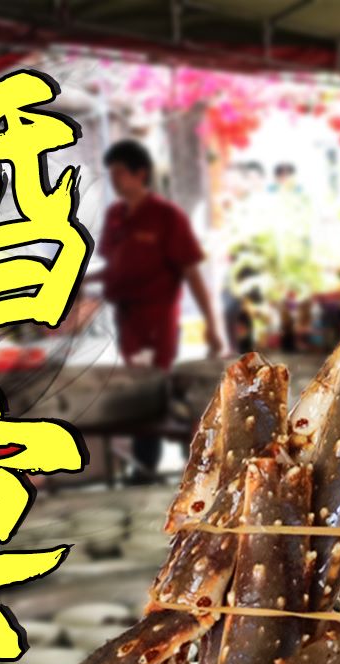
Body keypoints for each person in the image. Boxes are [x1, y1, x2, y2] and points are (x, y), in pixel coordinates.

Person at [92, 139, 224, 481]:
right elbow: (112, 267)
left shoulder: (166, 217)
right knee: (139, 392)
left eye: (121, 173)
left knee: (155, 391)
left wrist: (211, 324)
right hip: (127, 323)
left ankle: (162, 465)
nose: (115, 180)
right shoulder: (116, 216)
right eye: (112, 173)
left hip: (157, 322)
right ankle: (155, 464)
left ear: (141, 174)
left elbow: (192, 272)